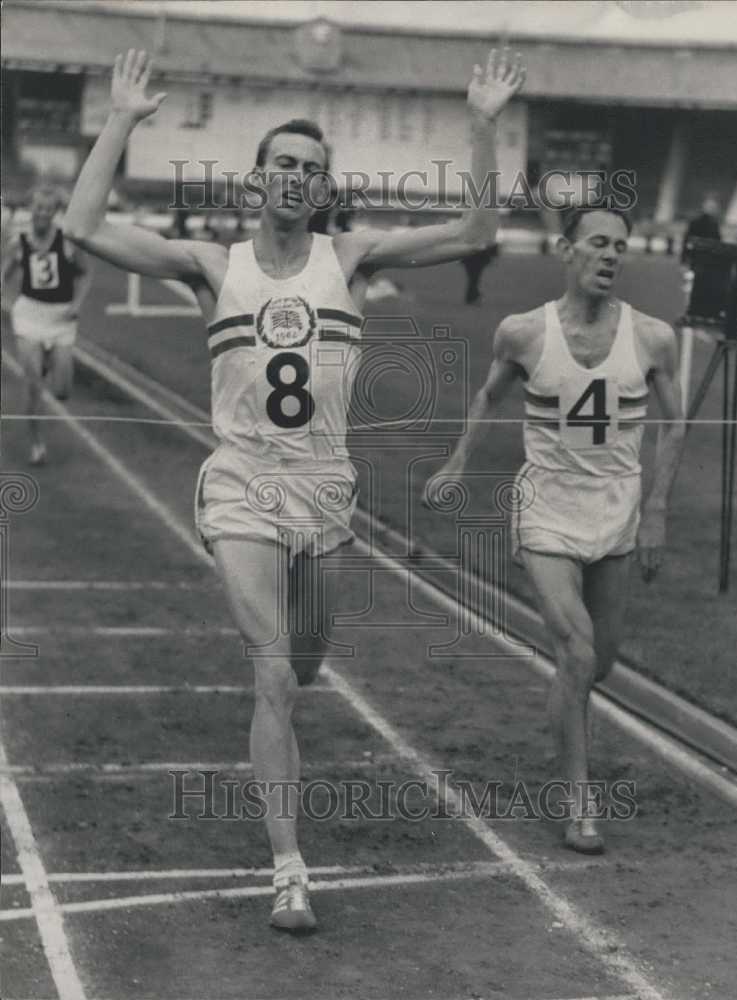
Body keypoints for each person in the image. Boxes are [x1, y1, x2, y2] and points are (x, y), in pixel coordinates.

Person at [63, 47, 525, 931]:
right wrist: (120, 119)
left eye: (313, 170)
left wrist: (480, 121)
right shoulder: (209, 263)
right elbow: (85, 228)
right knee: (271, 671)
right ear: (257, 180)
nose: (297, 179)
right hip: (241, 482)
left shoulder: (350, 256)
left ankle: (292, 704)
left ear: (323, 190)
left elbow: (472, 232)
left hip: (323, 489)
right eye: (284, 163)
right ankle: (289, 868)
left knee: (307, 660)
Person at [424, 206, 685, 855]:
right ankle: (578, 801)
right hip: (545, 510)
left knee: (596, 662)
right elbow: (489, 395)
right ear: (565, 249)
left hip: (615, 512)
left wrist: (654, 509)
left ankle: (565, 705)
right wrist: (455, 463)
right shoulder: (523, 333)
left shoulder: (652, 338)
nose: (610, 256)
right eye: (597, 243)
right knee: (574, 651)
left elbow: (674, 422)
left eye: (619, 246)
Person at [1, 185, 92, 465]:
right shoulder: (20, 242)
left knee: (62, 392)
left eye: (47, 209)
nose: (41, 213)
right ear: (32, 209)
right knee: (33, 386)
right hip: (29, 316)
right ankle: (37, 445)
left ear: (54, 213)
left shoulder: (67, 243)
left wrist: (77, 304)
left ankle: (48, 362)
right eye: (37, 208)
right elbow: (5, 275)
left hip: (61, 318)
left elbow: (86, 273)